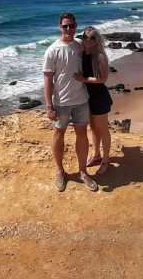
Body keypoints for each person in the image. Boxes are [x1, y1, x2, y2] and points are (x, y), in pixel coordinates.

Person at [43, 13, 98, 192]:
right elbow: (47, 79)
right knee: (59, 135)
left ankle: (83, 172)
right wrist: (49, 106)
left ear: (76, 27)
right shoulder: (52, 50)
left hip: (81, 100)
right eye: (65, 26)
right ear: (60, 27)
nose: (69, 29)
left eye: (72, 26)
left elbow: (96, 53)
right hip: (61, 102)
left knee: (82, 135)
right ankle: (60, 171)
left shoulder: (80, 46)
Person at [73, 26, 113, 176]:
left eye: (92, 38)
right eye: (85, 37)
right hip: (86, 97)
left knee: (103, 130)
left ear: (97, 40)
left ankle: (106, 160)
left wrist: (84, 79)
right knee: (94, 128)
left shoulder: (100, 56)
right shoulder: (82, 53)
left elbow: (103, 79)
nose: (88, 40)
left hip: (99, 97)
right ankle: (96, 155)